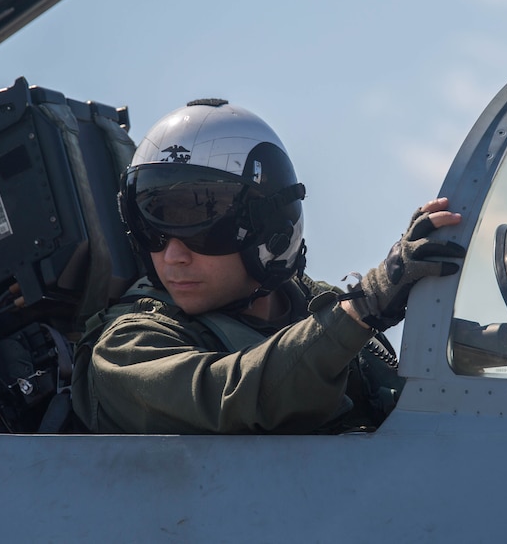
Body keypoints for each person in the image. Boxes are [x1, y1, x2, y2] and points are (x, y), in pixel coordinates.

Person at [70, 98, 466, 434]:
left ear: (268, 230)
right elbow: (234, 395)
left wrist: (499, 355)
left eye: (201, 231)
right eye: (153, 229)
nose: (173, 256)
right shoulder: (127, 348)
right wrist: (366, 304)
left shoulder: (315, 304)